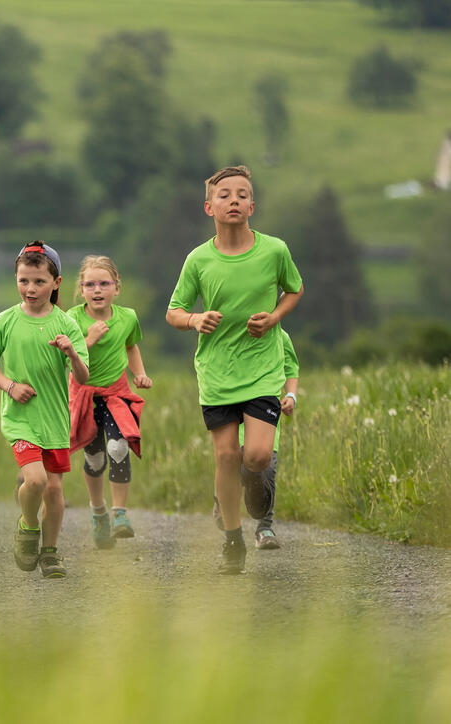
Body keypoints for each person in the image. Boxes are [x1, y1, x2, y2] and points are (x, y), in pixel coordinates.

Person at [166, 165, 303, 575]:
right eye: (225, 195)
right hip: (217, 371)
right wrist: (195, 320)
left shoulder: (274, 250)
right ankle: (232, 537)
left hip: (262, 367)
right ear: (209, 207)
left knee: (257, 456)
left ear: (252, 206)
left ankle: (238, 499)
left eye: (242, 195)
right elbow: (173, 312)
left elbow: (294, 289)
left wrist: (275, 317)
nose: (234, 201)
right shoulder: (198, 259)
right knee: (226, 456)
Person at [0, 242, 90, 579]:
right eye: (24, 281)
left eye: (39, 282)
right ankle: (28, 525)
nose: (31, 289)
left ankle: (50, 552)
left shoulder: (66, 323)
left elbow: (84, 376)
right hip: (20, 419)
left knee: (55, 490)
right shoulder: (5, 320)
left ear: (56, 283)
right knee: (36, 480)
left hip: (55, 420)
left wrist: (72, 353)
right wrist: (10, 386)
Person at [66, 255, 151, 549]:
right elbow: (66, 358)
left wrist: (139, 373)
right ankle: (98, 510)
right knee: (96, 458)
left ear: (117, 287)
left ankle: (120, 513)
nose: (97, 290)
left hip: (116, 393)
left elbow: (131, 346)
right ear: (81, 289)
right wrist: (88, 339)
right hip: (85, 395)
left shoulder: (127, 317)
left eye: (104, 283)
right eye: (90, 284)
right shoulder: (72, 319)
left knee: (118, 447)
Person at [214, 330, 299, 550]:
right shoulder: (233, 334)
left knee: (267, 470)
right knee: (232, 463)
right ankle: (221, 499)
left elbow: (291, 369)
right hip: (235, 413)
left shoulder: (282, 337)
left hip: (265, 414)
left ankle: (264, 528)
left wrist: (291, 395)